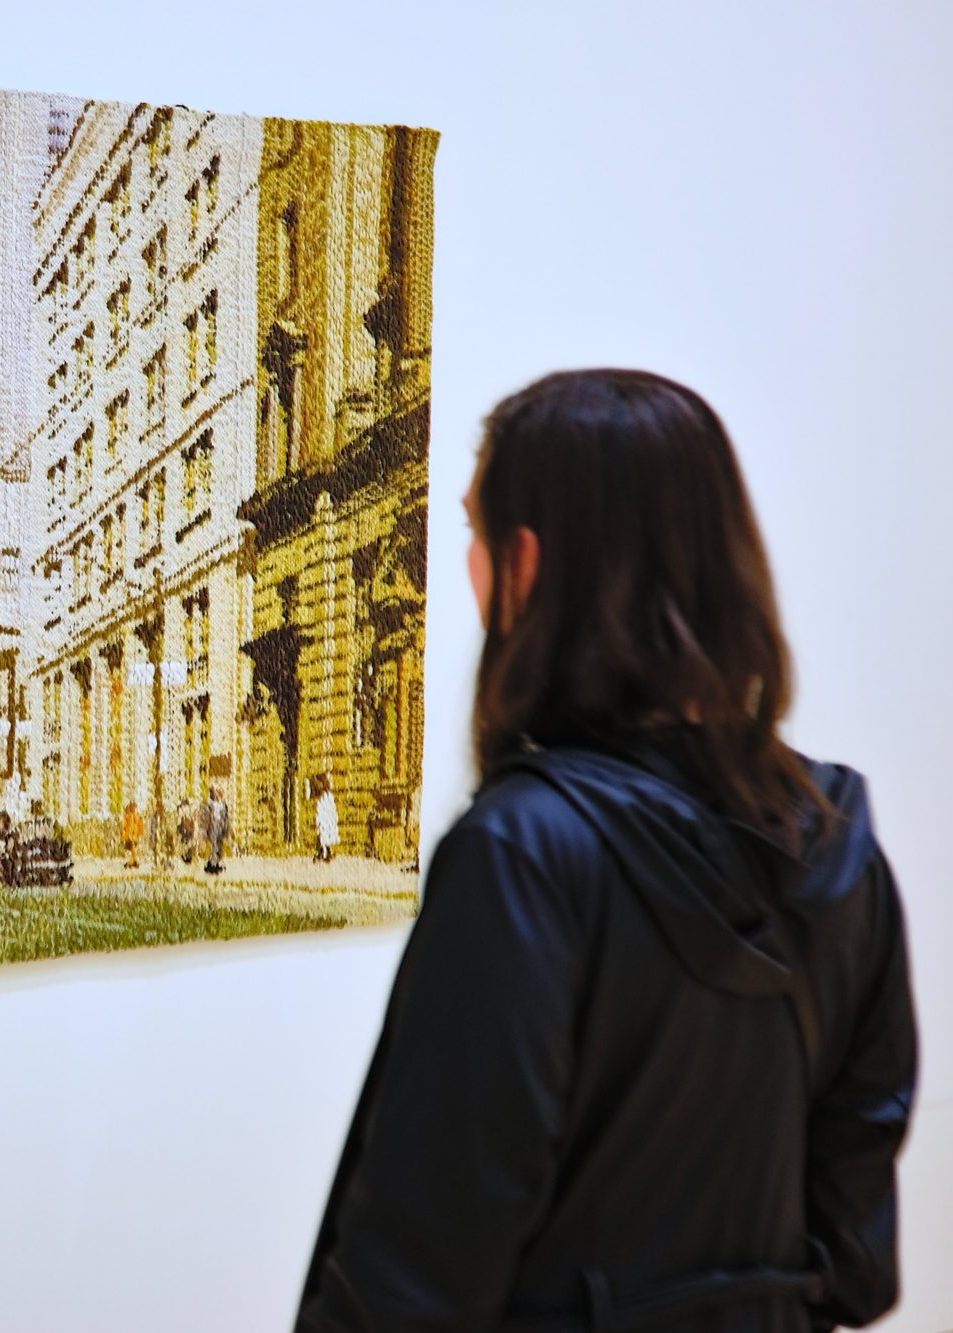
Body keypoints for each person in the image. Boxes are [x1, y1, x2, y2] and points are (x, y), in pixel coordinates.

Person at [296, 370, 916, 1332]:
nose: (465, 568)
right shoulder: (840, 846)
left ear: (529, 566)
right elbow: (857, 1267)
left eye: (472, 533)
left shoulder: (521, 856)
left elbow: (407, 1291)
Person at [203, 786, 229, 874]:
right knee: (213, 845)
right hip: (213, 826)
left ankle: (218, 862)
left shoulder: (223, 804)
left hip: (220, 826)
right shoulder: (210, 805)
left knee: (219, 844)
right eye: (214, 793)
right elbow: (207, 816)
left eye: (217, 793)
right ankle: (213, 863)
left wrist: (225, 826)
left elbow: (226, 817)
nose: (216, 795)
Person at [314, 777, 340, 864]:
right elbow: (321, 810)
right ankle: (322, 853)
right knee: (323, 837)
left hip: (327, 821)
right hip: (325, 821)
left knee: (325, 837)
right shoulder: (324, 798)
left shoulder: (328, 797)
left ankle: (325, 853)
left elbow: (331, 809)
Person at [121, 800, 145, 869]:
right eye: (132, 807)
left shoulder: (137, 816)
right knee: (132, 849)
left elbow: (140, 825)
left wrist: (140, 833)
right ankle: (133, 862)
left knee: (133, 850)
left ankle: (131, 863)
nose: (134, 809)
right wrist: (124, 836)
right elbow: (124, 827)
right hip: (129, 836)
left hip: (134, 836)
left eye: (134, 808)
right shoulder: (127, 816)